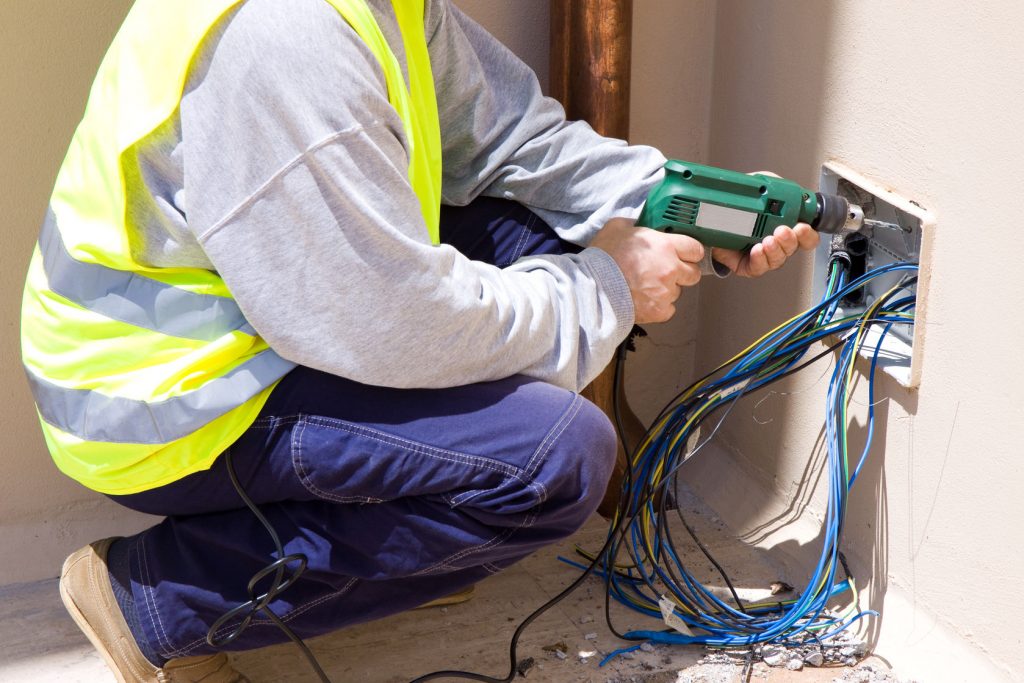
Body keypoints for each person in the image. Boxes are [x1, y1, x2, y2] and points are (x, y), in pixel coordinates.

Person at [22, 1, 818, 681]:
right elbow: (390, 322)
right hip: (164, 398)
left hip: (284, 311)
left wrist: (673, 205)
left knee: (542, 229)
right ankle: (154, 600)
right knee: (554, 462)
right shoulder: (284, 39)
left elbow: (512, 143)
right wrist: (609, 287)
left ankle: (399, 532)